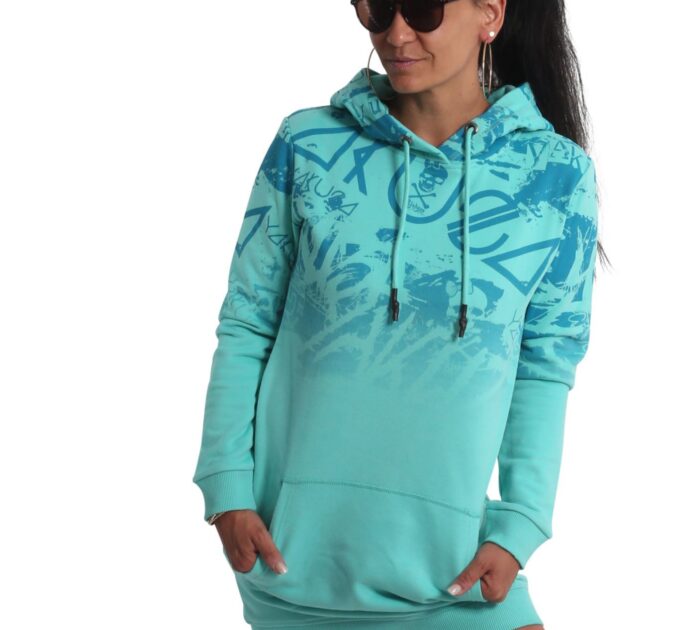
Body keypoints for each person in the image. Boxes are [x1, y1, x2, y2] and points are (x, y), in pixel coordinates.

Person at [192, 0, 605, 628]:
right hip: (294, 569)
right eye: (377, 8)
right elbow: (247, 323)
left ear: (490, 13)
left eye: (423, 9)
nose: (396, 33)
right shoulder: (308, 145)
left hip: (458, 573)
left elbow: (546, 365)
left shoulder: (557, 176)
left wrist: (521, 522)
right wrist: (225, 488)